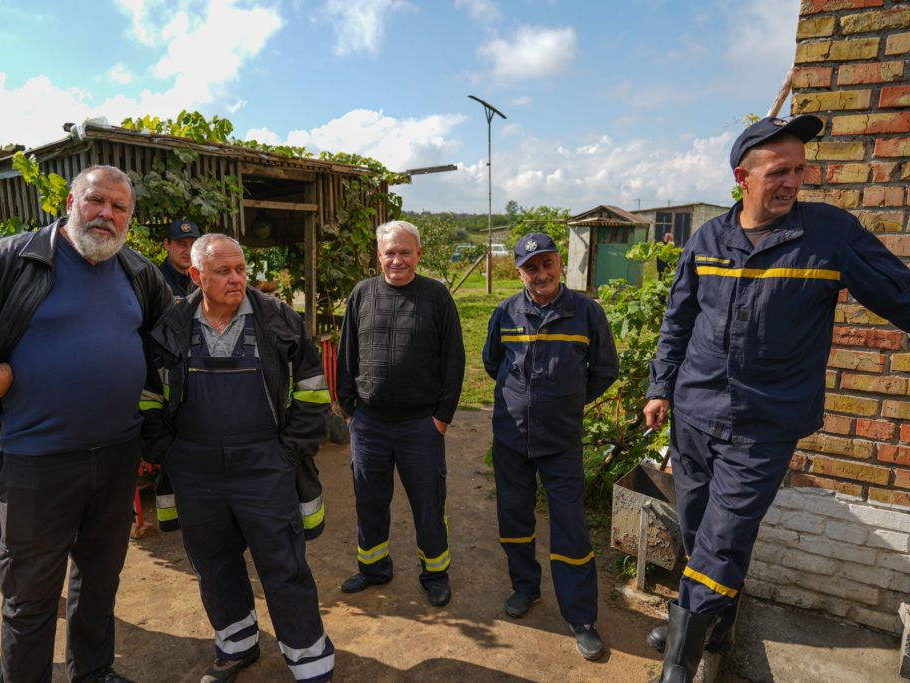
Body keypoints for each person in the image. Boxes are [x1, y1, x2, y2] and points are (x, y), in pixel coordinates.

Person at [642, 115, 910, 683]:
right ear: (743, 176)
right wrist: (660, 387)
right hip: (694, 413)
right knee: (696, 526)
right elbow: (678, 319)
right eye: (778, 171)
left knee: (725, 534)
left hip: (764, 423)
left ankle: (678, 664)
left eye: (800, 169)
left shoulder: (830, 236)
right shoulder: (709, 239)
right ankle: (709, 619)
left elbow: (899, 292)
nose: (792, 181)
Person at [0, 165, 172, 682]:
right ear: (70, 201)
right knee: (29, 595)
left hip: (116, 453)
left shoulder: (138, 271)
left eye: (119, 207)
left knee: (99, 580)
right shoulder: (11, 258)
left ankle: (93, 672)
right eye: (96, 201)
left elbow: (163, 343)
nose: (106, 214)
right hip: (37, 461)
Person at [140, 233, 334, 682]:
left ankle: (310, 661)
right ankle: (237, 645)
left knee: (283, 566)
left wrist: (288, 453)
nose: (236, 279)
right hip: (196, 471)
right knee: (214, 565)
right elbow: (148, 399)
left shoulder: (279, 319)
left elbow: (312, 389)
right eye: (223, 271)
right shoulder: (170, 326)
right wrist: (169, 453)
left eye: (241, 269)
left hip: (265, 467)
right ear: (196, 276)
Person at [482, 232, 618, 661]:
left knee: (570, 526)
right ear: (519, 271)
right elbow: (492, 363)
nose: (541, 274)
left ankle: (581, 617)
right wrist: (522, 402)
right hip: (511, 438)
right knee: (514, 518)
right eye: (531, 267)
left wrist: (566, 401)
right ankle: (525, 588)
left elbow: (605, 370)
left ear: (560, 265)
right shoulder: (505, 312)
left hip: (561, 441)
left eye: (548, 264)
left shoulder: (586, 313)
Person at [335, 219, 465, 607]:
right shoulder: (362, 294)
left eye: (405, 252)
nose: (397, 260)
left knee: (428, 502)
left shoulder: (437, 296)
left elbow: (453, 360)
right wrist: (349, 409)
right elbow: (346, 355)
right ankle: (374, 568)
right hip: (369, 423)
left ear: (419, 255)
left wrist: (442, 415)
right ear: (379, 255)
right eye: (389, 252)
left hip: (420, 425)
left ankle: (435, 573)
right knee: (369, 499)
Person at [160, 218, 201, 299]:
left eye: (193, 244)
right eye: (182, 244)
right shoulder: (157, 280)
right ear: (167, 244)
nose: (189, 252)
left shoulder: (201, 279)